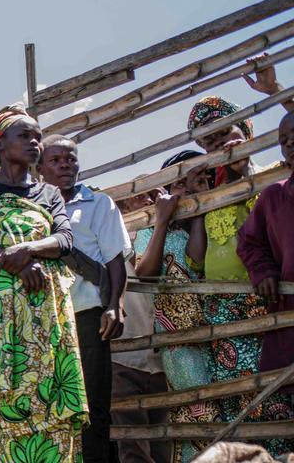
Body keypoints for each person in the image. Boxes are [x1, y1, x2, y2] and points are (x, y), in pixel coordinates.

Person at [0, 106, 85, 463]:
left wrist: (24, 250)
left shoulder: (49, 194)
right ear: (0, 143)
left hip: (45, 304)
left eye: (37, 136)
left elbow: (64, 239)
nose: (35, 142)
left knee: (49, 386)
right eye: (25, 135)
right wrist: (8, 261)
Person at [187, 96, 293, 455]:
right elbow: (199, 261)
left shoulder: (272, 178)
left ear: (246, 132)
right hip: (221, 311)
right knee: (237, 397)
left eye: (225, 135)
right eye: (210, 143)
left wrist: (245, 173)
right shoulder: (209, 192)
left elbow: (264, 233)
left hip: (264, 303)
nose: (221, 148)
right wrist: (199, 199)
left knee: (275, 392)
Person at [38, 135, 130, 463]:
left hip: (88, 316)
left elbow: (115, 262)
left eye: (71, 159)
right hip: (46, 320)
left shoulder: (98, 204)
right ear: (39, 167)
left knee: (93, 406)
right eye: (57, 160)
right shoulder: (31, 209)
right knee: (51, 405)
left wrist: (114, 305)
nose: (66, 164)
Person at [134, 150, 215, 463]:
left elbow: (198, 259)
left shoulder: (202, 220)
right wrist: (162, 222)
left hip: (214, 331)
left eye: (192, 182)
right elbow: (145, 274)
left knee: (223, 410)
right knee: (198, 414)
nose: (186, 189)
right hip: (178, 340)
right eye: (178, 183)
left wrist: (198, 212)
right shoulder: (152, 228)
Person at [111, 188, 170, 463]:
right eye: (141, 196)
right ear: (123, 206)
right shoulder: (116, 241)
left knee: (161, 447)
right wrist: (161, 221)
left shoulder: (147, 237)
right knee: (134, 449)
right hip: (124, 355)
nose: (148, 202)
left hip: (159, 357)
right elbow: (144, 274)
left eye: (153, 196)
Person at [238, 111, 294, 389]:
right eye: (284, 140)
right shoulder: (274, 196)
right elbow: (249, 242)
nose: (291, 144)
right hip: (289, 315)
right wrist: (263, 271)